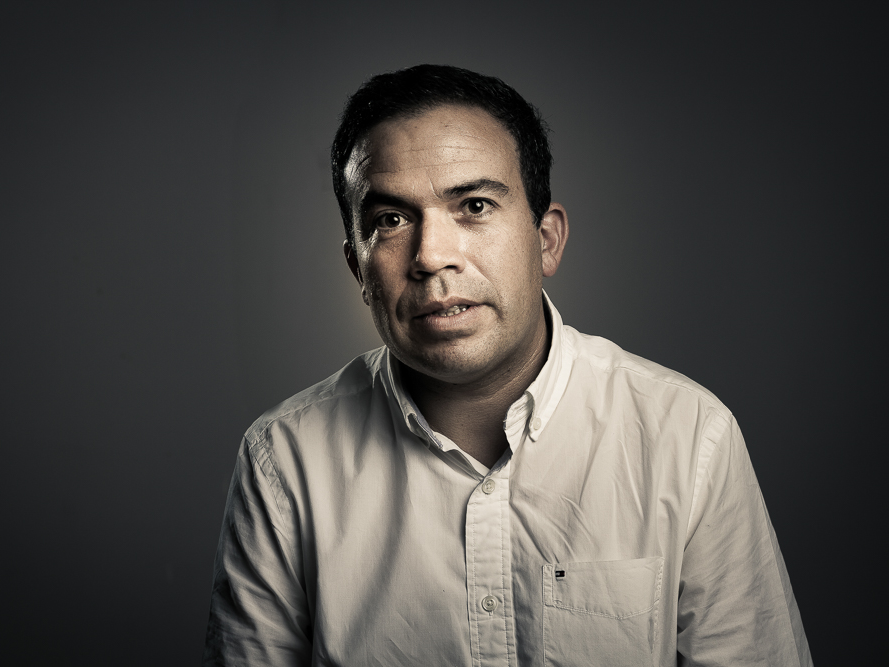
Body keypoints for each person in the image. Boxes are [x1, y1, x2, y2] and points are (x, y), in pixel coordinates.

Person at [203, 64, 811, 666]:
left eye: (473, 205)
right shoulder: (284, 460)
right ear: (358, 268)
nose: (431, 256)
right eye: (391, 220)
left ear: (546, 240)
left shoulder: (687, 436)